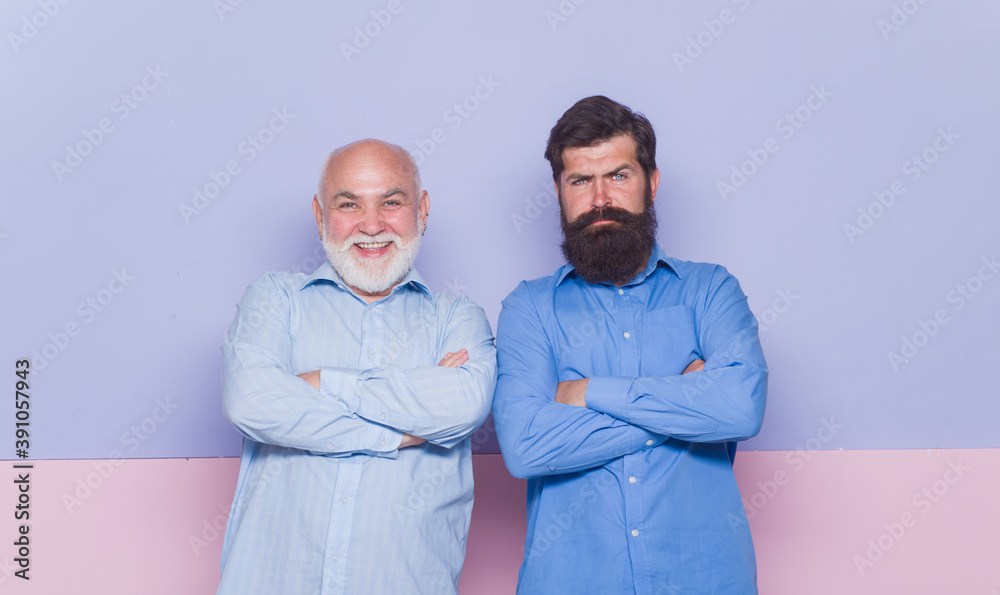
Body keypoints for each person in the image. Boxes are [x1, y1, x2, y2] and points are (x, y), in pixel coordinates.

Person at [492, 96, 767, 594]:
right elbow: (526, 446)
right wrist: (681, 406)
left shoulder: (710, 291)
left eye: (618, 175)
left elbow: (740, 407)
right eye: (580, 180)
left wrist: (589, 391)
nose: (600, 198)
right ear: (558, 191)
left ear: (651, 183)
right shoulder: (529, 308)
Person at [217, 139, 497, 594]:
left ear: (422, 210)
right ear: (320, 215)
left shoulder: (457, 319)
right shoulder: (274, 299)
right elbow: (251, 402)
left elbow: (463, 404)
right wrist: (401, 433)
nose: (371, 225)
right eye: (348, 204)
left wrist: (323, 382)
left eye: (391, 202)